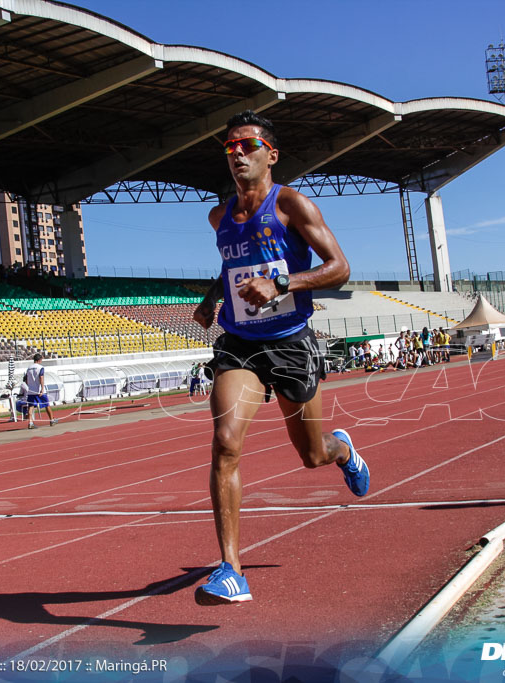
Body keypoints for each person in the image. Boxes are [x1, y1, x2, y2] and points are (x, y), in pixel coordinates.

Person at [191, 110, 371, 605]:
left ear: (270, 154)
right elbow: (232, 264)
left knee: (312, 456)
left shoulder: (290, 203)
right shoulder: (219, 215)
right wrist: (213, 297)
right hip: (239, 342)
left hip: (290, 342)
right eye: (229, 148)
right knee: (225, 441)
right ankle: (231, 570)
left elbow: (339, 268)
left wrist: (283, 283)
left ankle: (343, 450)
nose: (237, 155)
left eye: (246, 146)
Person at [23, 353, 58, 429]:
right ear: (40, 360)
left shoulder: (28, 368)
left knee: (31, 407)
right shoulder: (40, 367)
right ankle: (52, 420)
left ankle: (30, 423)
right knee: (46, 405)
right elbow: (41, 377)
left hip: (31, 391)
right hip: (39, 390)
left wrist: (29, 386)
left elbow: (26, 379)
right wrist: (42, 389)